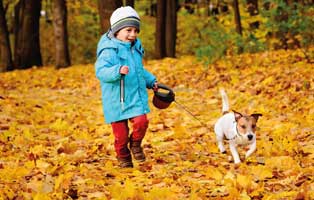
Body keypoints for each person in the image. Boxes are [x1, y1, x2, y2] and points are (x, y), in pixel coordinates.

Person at [95, 6, 157, 168]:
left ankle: (136, 144)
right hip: (116, 99)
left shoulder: (134, 48)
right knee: (120, 136)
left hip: (134, 96)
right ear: (116, 31)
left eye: (136, 30)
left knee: (142, 121)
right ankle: (123, 156)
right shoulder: (109, 50)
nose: (133, 34)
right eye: (128, 30)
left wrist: (151, 81)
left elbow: (139, 70)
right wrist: (117, 70)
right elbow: (101, 71)